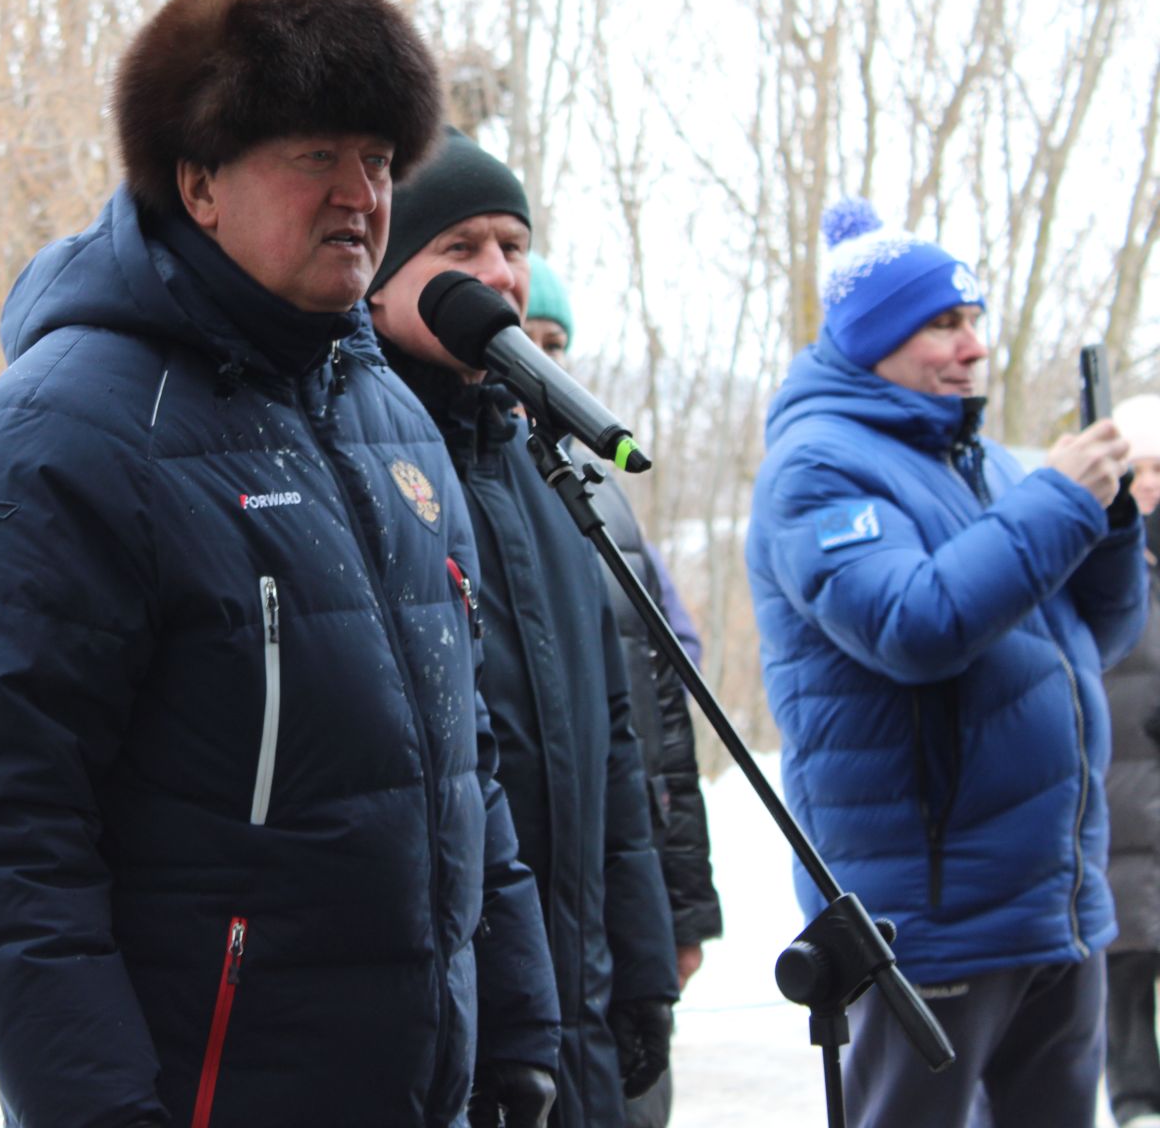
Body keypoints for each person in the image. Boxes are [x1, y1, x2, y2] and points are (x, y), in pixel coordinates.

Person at [0, 0, 562, 1128]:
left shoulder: (393, 418)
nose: (362, 195)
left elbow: (463, 760)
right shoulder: (59, 436)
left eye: (378, 158)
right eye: (316, 156)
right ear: (199, 181)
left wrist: (519, 1031)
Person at [746, 197, 1147, 1127]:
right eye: (942, 325)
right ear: (874, 337)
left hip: (1050, 908)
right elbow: (914, 626)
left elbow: (1102, 637)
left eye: (975, 321)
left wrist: (1112, 519)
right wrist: (1060, 502)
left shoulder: (989, 465)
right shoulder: (818, 468)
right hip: (922, 924)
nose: (972, 347)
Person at [366, 127, 679, 1128]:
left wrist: (640, 963)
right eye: (460, 249)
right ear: (374, 273)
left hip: (578, 1004)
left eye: (513, 244)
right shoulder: (358, 458)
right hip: (452, 1026)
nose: (501, 274)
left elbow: (613, 739)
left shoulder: (548, 472)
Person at [523, 255, 724, 1128]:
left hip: (624, 891)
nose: (534, 358)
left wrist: (682, 910)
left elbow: (661, 714)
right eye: (518, 336)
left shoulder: (598, 489)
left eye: (553, 343)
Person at [1105, 393, 1160, 1128]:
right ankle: (1134, 1100)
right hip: (1117, 798)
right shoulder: (1100, 559)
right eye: (1137, 468)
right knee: (1125, 964)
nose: (1149, 480)